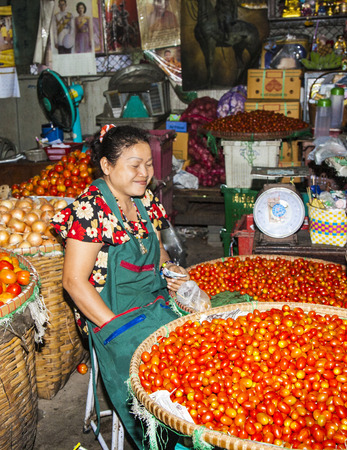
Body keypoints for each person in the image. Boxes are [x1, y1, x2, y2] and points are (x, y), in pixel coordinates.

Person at [51, 125, 189, 449]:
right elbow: (72, 281)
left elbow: (156, 250)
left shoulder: (144, 200)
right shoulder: (91, 209)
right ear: (107, 167)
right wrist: (116, 328)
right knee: (159, 372)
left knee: (200, 337)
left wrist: (174, 274)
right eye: (134, 165)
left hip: (150, 301)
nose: (145, 173)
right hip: (108, 313)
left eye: (149, 164)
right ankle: (171, 440)